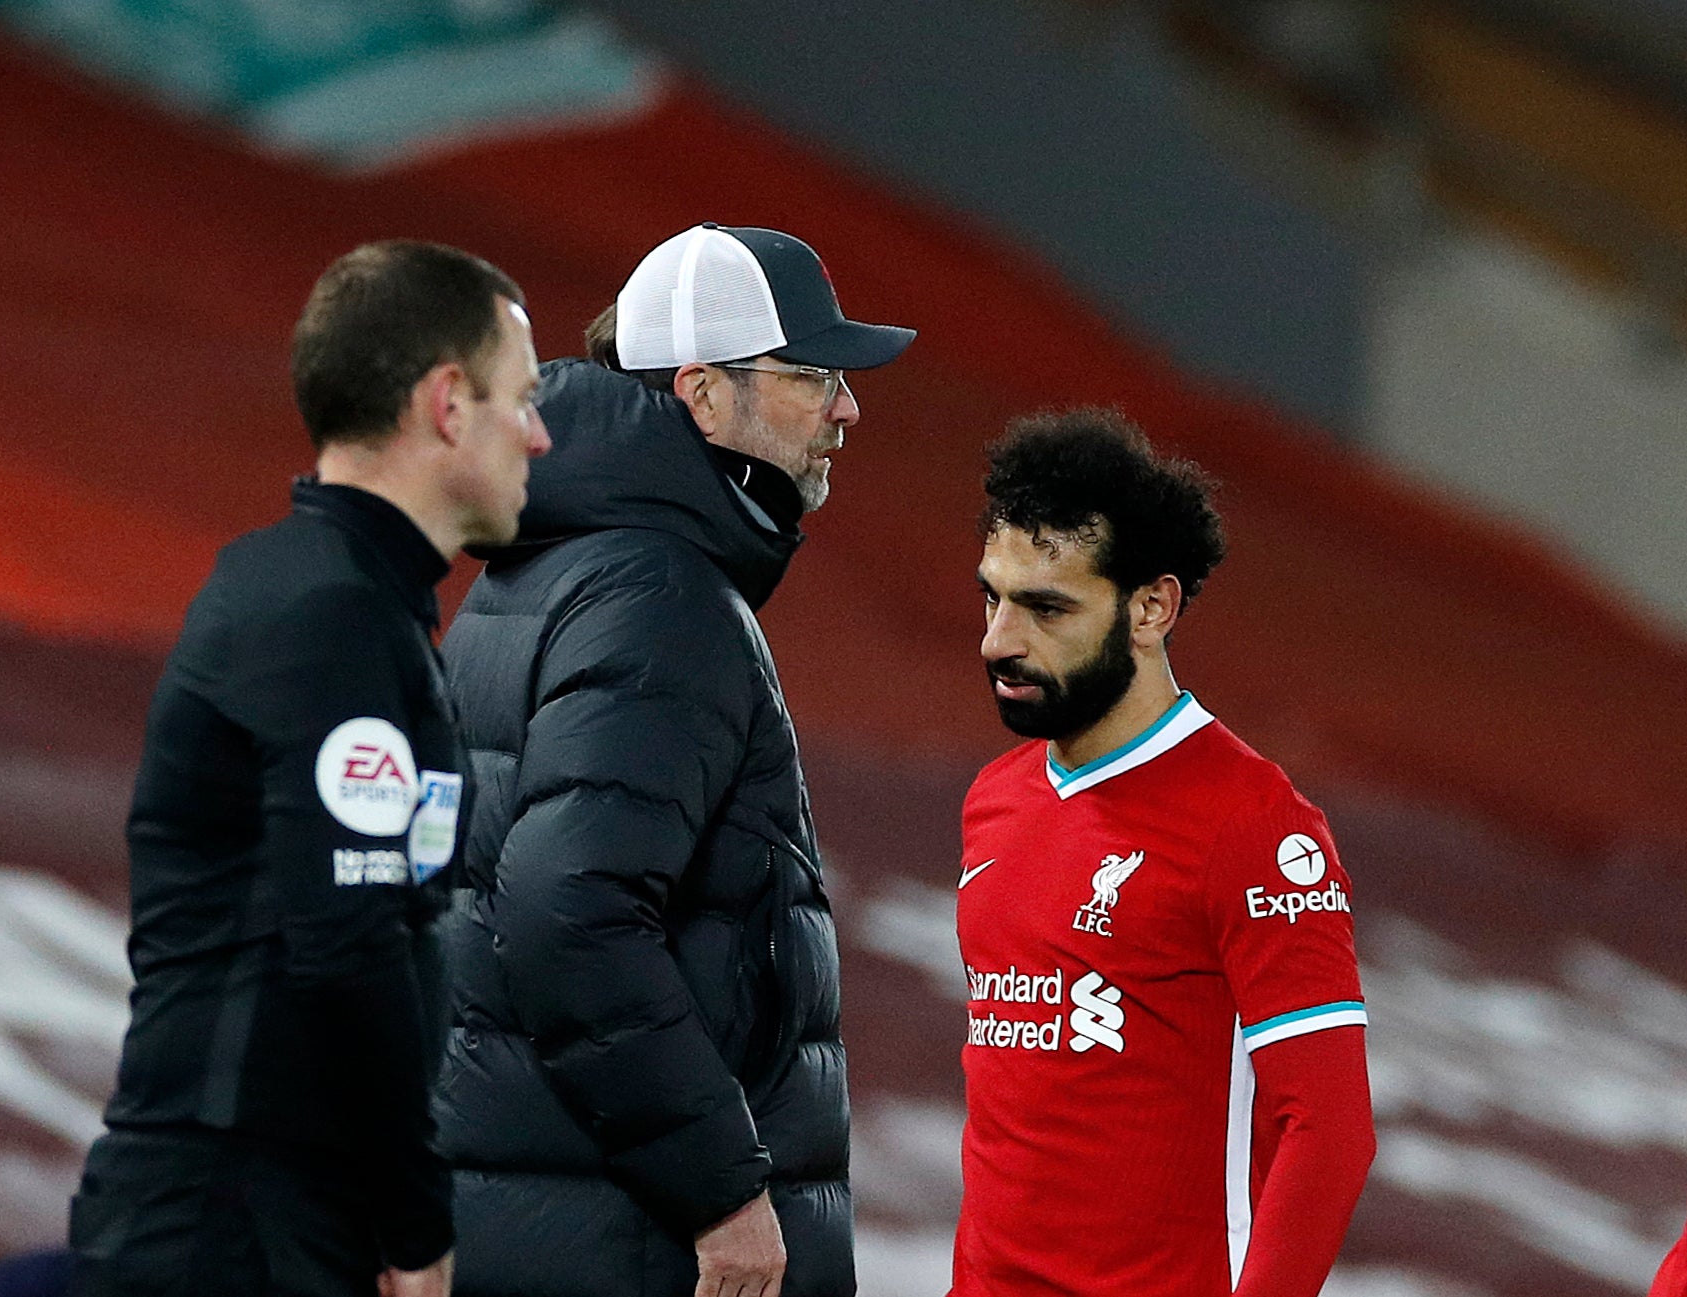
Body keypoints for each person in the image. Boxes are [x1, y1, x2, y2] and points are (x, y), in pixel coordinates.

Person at [433, 222, 914, 1297]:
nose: (847, 408)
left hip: (547, 1212)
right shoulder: (658, 596)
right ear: (703, 393)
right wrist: (722, 1192)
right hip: (632, 1242)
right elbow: (567, 912)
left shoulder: (553, 563)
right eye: (813, 375)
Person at [69, 240, 550, 1297]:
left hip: (255, 1212)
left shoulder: (344, 601)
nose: (540, 434)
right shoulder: (328, 615)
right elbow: (349, 943)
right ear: (447, 403)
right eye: (521, 399)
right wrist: (413, 1221)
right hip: (232, 1227)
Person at [952, 409, 1376, 1297]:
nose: (997, 639)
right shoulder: (996, 798)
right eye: (992, 595)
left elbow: (1327, 1127)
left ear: (1150, 607)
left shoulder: (1254, 825)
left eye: (1045, 607)